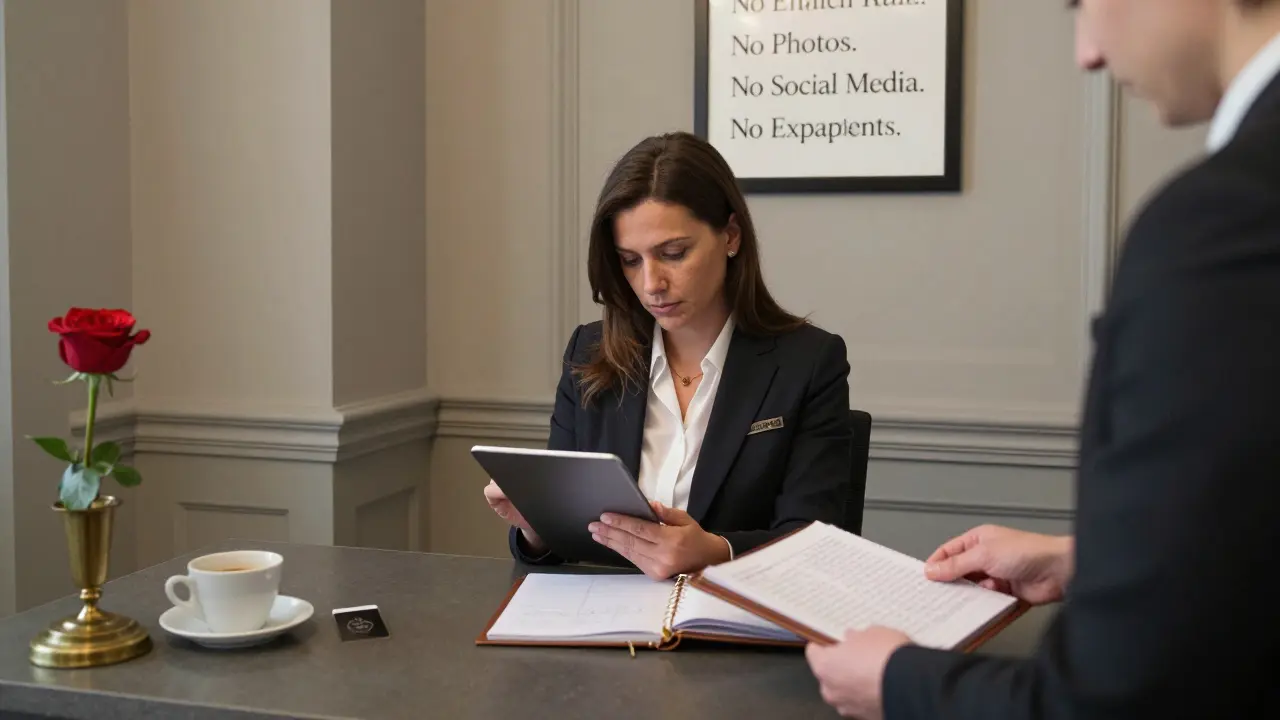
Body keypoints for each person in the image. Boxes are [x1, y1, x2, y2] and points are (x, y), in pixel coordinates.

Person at [804, 1, 1280, 718]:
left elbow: (1115, 702)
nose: (1086, 52)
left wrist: (898, 682)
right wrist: (1083, 558)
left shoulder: (1223, 222)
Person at [484, 131, 854, 580]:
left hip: (735, 629)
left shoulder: (808, 362)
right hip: (607, 629)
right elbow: (555, 551)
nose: (651, 284)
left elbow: (815, 542)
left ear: (731, 236)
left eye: (673, 253)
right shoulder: (589, 353)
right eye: (630, 261)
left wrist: (717, 551)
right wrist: (537, 529)